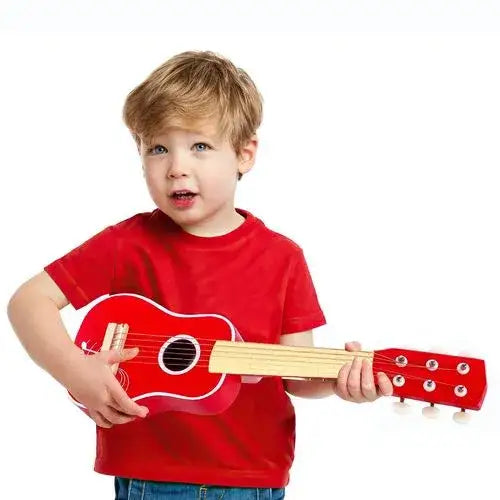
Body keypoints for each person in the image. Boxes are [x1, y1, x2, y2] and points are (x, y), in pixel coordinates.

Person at [7, 49, 393, 500]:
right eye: (157, 148)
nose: (177, 167)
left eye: (200, 146)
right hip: (151, 479)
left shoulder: (282, 258)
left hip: (251, 478)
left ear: (244, 154)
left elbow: (294, 375)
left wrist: (341, 382)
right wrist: (76, 371)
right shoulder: (126, 243)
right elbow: (27, 302)